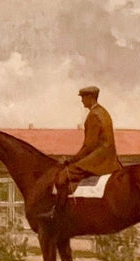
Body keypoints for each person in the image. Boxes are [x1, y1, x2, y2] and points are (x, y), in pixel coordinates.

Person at [48, 86, 122, 216]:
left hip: (98, 158)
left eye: (83, 98)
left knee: (62, 177)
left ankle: (58, 214)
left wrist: (71, 159)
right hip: (108, 157)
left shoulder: (93, 115)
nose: (82, 101)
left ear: (90, 98)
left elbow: (89, 146)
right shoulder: (103, 112)